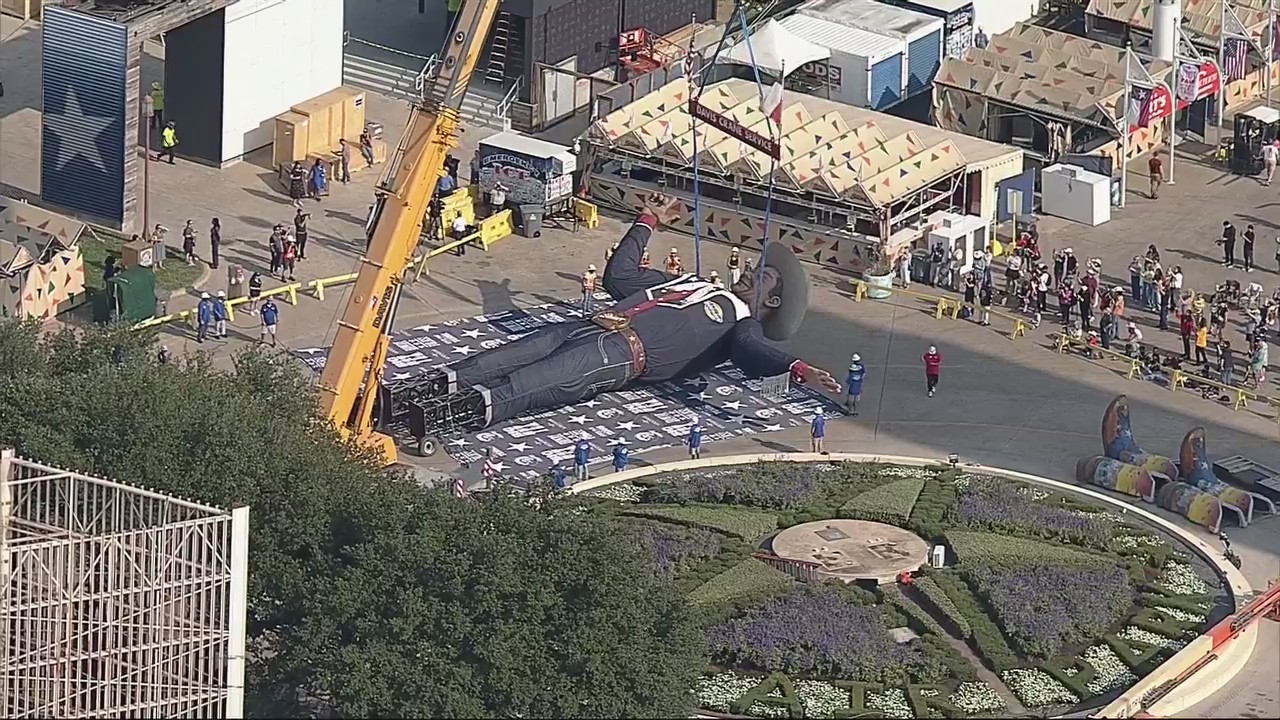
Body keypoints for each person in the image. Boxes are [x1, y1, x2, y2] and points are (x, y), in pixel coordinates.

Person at [407, 194, 840, 430]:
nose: (748, 272)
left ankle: (451, 413)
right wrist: (647, 222)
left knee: (533, 382)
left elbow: (752, 352)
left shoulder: (739, 323)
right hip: (590, 326)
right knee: (506, 356)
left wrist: (798, 368)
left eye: (762, 276)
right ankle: (433, 386)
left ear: (771, 302)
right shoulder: (693, 283)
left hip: (620, 353)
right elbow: (621, 276)